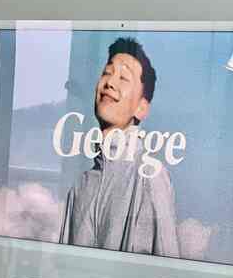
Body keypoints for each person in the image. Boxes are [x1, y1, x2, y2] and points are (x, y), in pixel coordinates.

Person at [59, 37, 180, 257]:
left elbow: (169, 266)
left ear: (141, 108)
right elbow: (63, 266)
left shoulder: (150, 175)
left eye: (124, 78)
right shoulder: (81, 186)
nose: (110, 83)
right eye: (107, 73)